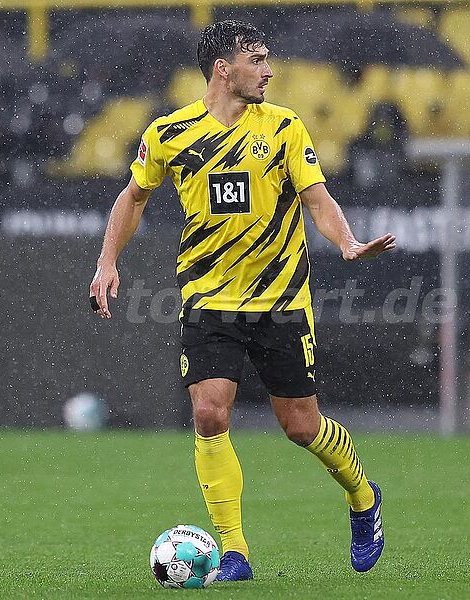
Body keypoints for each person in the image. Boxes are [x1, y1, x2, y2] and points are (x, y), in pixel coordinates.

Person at [88, 21, 395, 580]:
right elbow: (132, 197)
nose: (269, 71)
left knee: (301, 426)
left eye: (267, 59)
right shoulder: (170, 133)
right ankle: (234, 552)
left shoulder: (283, 127)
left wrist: (346, 241)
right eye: (257, 60)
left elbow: (317, 198)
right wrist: (108, 261)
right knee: (209, 414)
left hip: (280, 298)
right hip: (208, 298)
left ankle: (362, 495)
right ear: (223, 68)